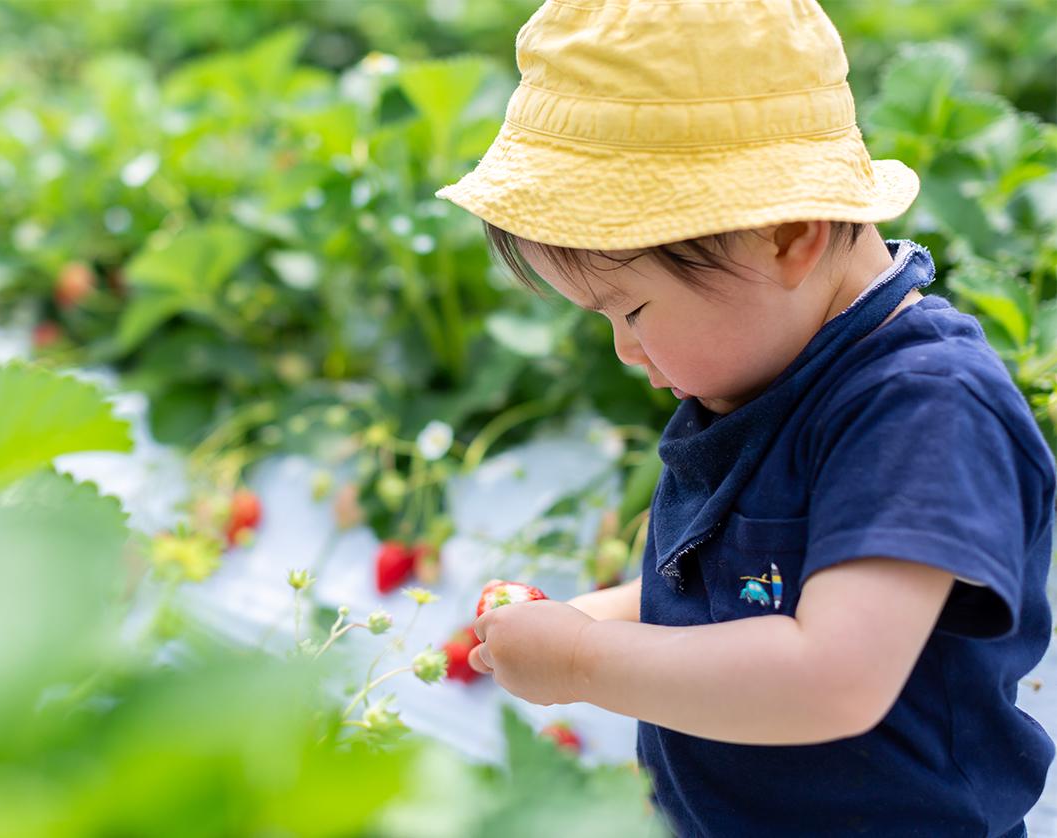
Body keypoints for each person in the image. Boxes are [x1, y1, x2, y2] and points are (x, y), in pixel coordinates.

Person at [433, 1, 1056, 836]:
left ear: (785, 236)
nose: (624, 349)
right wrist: (583, 619)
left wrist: (583, 659)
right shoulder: (770, 370)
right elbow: (740, 595)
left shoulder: (926, 407)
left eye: (633, 309)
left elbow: (830, 675)